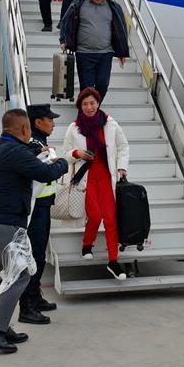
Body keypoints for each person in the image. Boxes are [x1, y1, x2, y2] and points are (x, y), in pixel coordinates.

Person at [0, 108, 69, 353]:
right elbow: (46, 173)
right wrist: (63, 162)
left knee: (0, 277)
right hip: (6, 224)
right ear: (25, 129)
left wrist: (36, 151)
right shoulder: (16, 152)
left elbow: (20, 158)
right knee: (20, 274)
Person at [61, 87, 130, 280]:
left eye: (92, 103)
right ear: (80, 106)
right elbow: (65, 153)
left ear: (98, 103)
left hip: (107, 177)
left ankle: (113, 261)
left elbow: (123, 146)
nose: (89, 107)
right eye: (85, 104)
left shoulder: (110, 123)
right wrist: (77, 153)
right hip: (87, 177)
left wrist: (122, 167)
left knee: (110, 219)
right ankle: (87, 243)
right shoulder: (74, 127)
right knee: (95, 216)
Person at [18, 104, 62, 324]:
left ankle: (35, 296)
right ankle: (27, 306)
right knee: (34, 255)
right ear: (38, 122)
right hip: (35, 209)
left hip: (42, 206)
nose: (53, 124)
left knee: (39, 255)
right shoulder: (34, 144)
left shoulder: (39, 142)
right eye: (50, 119)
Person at [58, 0, 130, 100]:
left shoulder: (114, 7)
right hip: (84, 53)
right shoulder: (78, 5)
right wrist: (63, 40)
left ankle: (92, 108)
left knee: (103, 85)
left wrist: (122, 52)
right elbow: (65, 22)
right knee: (87, 87)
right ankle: (87, 109)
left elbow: (121, 29)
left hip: (105, 53)